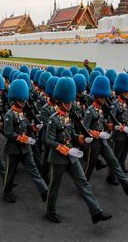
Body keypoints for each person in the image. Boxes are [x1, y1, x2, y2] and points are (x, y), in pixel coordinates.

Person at [44, 77, 112, 224]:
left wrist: (80, 138)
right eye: (67, 102)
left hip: (72, 156)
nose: (69, 104)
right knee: (54, 186)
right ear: (60, 101)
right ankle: (50, 211)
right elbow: (48, 141)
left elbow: (71, 135)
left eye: (70, 101)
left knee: (84, 183)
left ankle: (96, 212)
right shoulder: (53, 119)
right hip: (59, 157)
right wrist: (65, 150)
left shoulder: (68, 117)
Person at [82, 76, 128, 195]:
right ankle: (83, 187)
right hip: (93, 144)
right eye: (102, 97)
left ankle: (126, 185)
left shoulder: (102, 110)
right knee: (90, 166)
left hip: (103, 142)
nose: (104, 99)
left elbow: (104, 123)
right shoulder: (90, 111)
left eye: (105, 97)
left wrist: (111, 126)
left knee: (114, 161)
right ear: (97, 96)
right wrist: (99, 134)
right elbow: (85, 129)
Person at [2, 79, 48, 203]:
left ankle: (44, 190)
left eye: (23, 100)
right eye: (20, 100)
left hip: (26, 148)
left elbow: (26, 126)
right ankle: (7, 192)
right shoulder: (9, 114)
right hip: (14, 148)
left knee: (33, 170)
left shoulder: (22, 114)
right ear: (15, 99)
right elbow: (8, 133)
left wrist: (34, 127)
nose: (22, 102)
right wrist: (21, 138)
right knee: (10, 173)